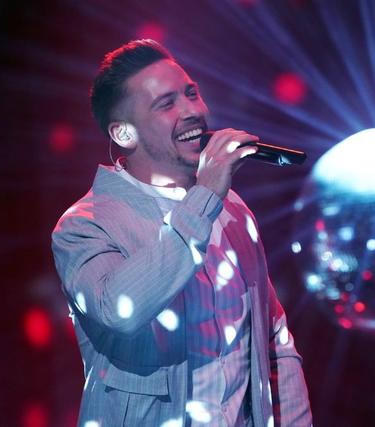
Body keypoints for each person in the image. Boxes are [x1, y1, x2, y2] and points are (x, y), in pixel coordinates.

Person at [51, 39, 312, 427]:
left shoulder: (232, 209)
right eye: (166, 104)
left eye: (191, 93)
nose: (193, 111)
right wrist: (204, 197)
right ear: (123, 134)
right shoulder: (84, 224)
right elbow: (119, 309)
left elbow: (273, 341)